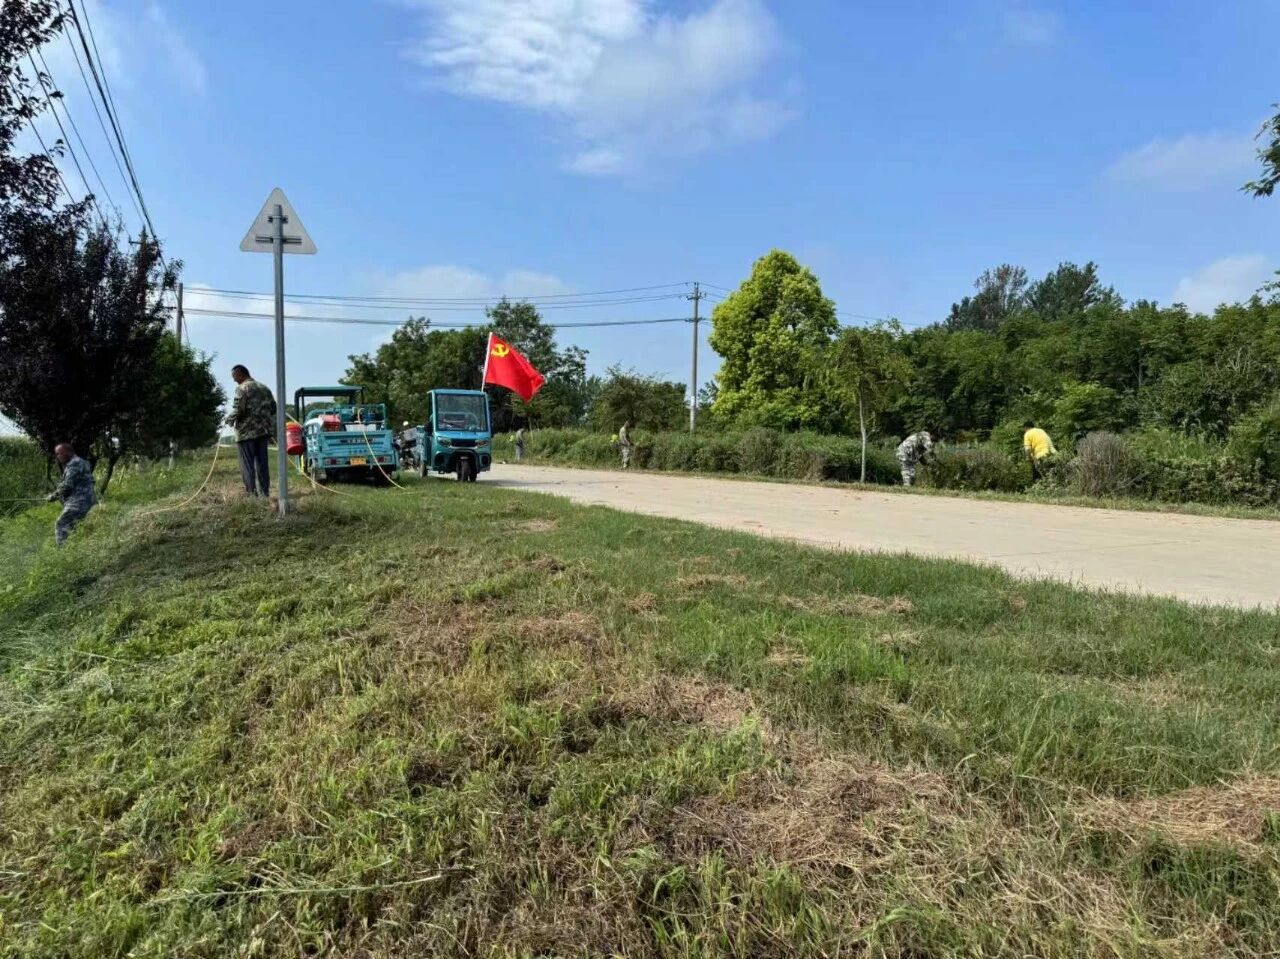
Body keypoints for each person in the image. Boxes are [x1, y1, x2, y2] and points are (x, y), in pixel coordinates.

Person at [227, 364, 277, 497]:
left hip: (246, 434)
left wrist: (229, 419)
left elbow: (239, 409)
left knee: (247, 465)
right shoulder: (264, 388)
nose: (234, 380)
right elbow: (273, 408)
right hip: (263, 432)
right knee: (262, 464)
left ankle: (252, 495)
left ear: (241, 374)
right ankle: (265, 494)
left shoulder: (242, 388)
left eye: (234, 376)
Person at [46, 442, 96, 546]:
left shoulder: (75, 464)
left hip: (79, 502)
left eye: (59, 453)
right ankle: (78, 548)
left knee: (61, 524)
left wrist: (53, 496)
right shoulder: (80, 462)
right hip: (87, 500)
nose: (57, 457)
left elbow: (67, 486)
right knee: (77, 527)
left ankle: (63, 552)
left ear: (67, 452)